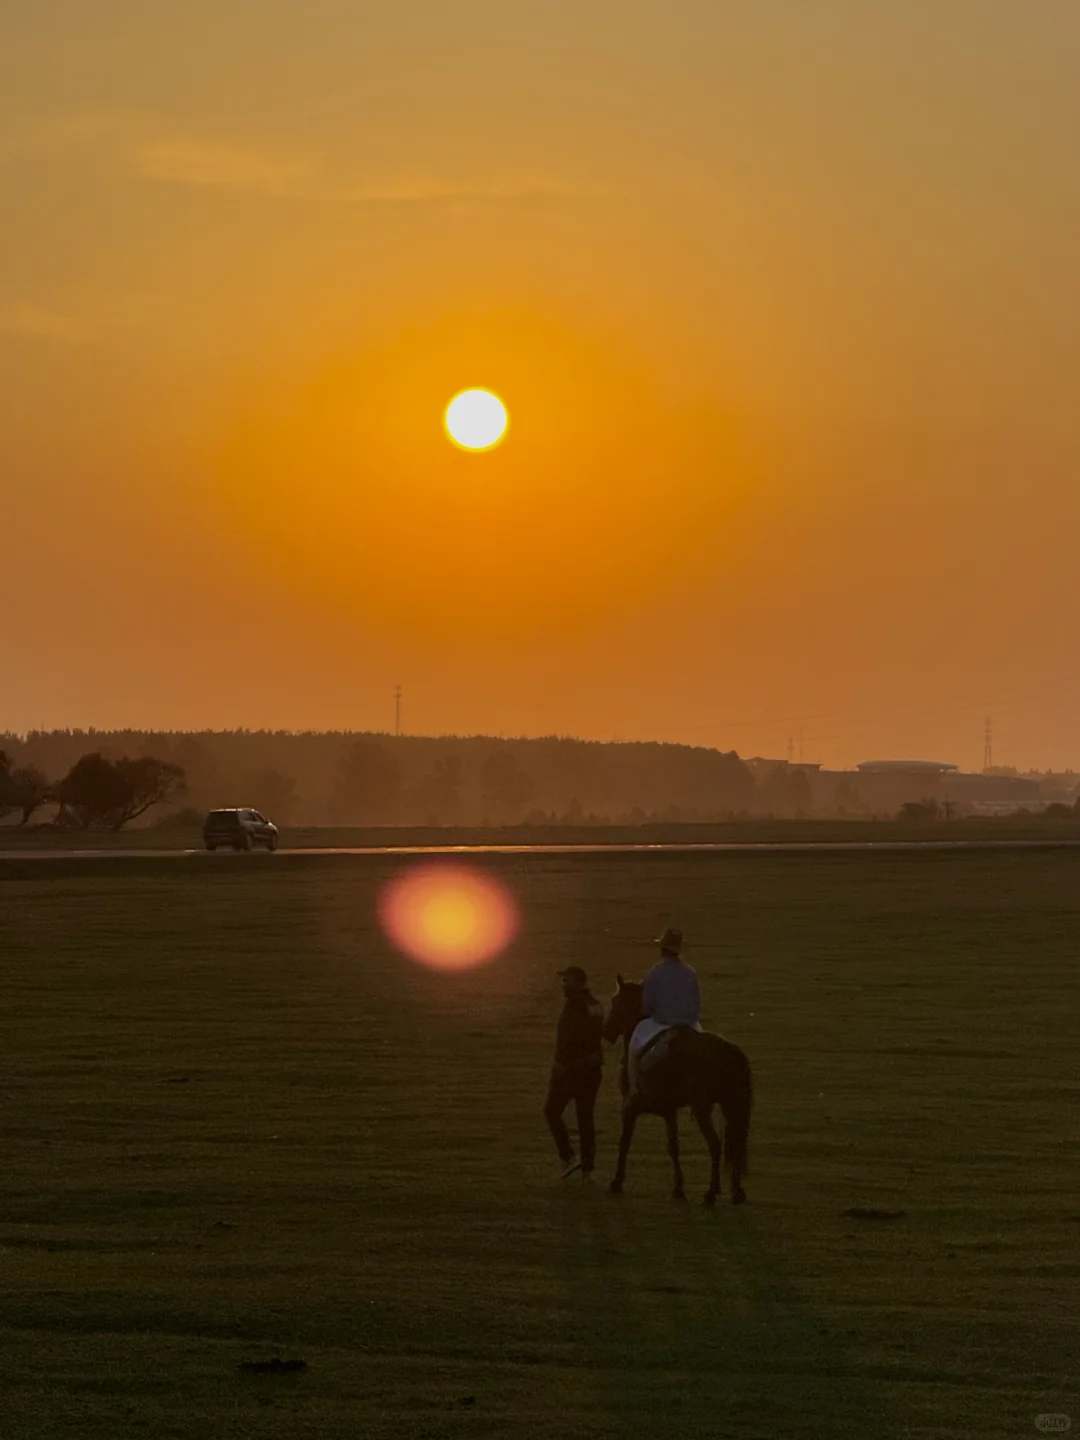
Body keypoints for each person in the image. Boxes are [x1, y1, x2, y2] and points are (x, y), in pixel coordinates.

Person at [543, 965, 605, 1178]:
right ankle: (587, 1166)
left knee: (551, 1111)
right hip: (592, 1070)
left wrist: (561, 1065)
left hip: (571, 1071)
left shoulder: (574, 1005)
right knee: (585, 1118)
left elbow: (570, 1041)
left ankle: (568, 1157)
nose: (563, 985)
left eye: (566, 981)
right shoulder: (595, 1004)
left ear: (579, 982)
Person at [627, 927, 702, 1092]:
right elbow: (697, 1005)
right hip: (690, 1025)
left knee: (634, 1046)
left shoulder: (655, 973)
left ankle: (634, 1088)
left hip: (662, 1025)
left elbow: (647, 1007)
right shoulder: (690, 973)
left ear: (662, 950)